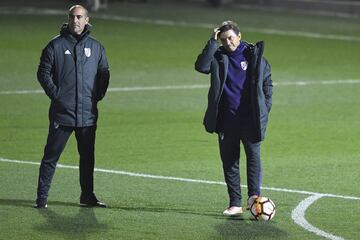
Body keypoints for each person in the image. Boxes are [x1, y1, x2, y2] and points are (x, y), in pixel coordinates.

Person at [34, 5, 110, 208]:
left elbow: (104, 73)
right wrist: (57, 95)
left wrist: (97, 96)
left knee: (87, 158)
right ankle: (41, 198)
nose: (75, 20)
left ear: (87, 19)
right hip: (63, 113)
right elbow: (43, 72)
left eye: (79, 17)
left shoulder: (96, 48)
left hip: (87, 115)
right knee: (51, 156)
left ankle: (87, 196)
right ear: (68, 19)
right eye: (72, 17)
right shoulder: (55, 45)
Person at [195, 21, 273, 216]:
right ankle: (235, 203)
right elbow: (201, 67)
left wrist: (264, 108)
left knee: (253, 157)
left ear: (239, 35)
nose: (228, 42)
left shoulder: (254, 56)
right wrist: (212, 43)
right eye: (223, 39)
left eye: (230, 37)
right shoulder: (218, 56)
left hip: (250, 119)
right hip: (226, 119)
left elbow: (267, 85)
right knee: (230, 162)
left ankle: (254, 198)